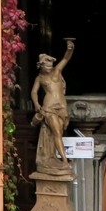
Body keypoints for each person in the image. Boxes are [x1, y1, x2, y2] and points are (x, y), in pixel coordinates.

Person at [30, 38, 74, 175]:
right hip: (48, 108)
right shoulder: (40, 78)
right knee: (57, 133)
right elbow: (33, 92)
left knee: (58, 133)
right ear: (41, 66)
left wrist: (69, 48)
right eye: (46, 65)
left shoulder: (57, 72)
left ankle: (51, 157)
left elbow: (66, 59)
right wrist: (37, 104)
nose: (49, 67)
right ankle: (65, 162)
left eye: (50, 64)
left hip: (62, 108)